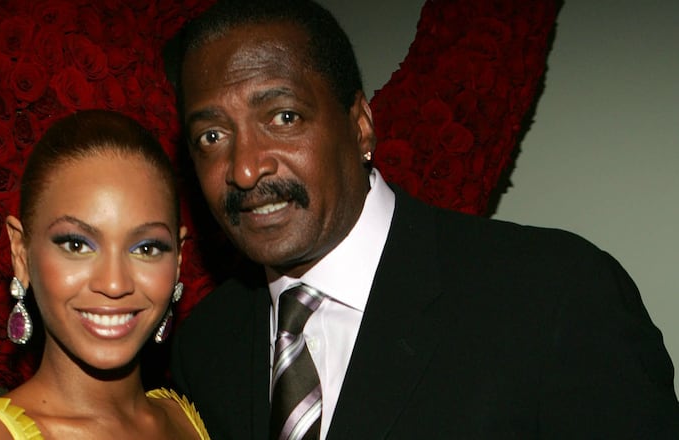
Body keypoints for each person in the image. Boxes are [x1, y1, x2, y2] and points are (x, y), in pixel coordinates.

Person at [167, 0, 679, 438]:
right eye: (211, 136)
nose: (245, 166)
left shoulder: (555, 295)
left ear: (361, 127)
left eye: (284, 117)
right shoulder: (205, 349)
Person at [0, 110, 209, 439]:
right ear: (21, 253)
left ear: (179, 259)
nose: (114, 284)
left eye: (146, 248)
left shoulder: (185, 419)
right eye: (77, 245)